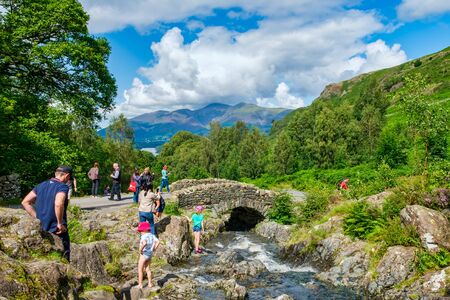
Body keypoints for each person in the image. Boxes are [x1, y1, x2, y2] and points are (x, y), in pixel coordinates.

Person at [21, 166, 72, 261]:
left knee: (46, 258)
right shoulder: (62, 186)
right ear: (67, 175)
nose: (68, 181)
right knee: (64, 258)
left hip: (42, 229)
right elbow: (58, 203)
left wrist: (37, 218)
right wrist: (59, 223)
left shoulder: (41, 185)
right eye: (69, 178)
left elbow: (25, 202)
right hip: (57, 230)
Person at [137, 221, 160, 289]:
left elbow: (144, 243)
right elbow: (158, 242)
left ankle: (140, 284)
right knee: (148, 269)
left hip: (143, 254)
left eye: (141, 230)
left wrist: (141, 250)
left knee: (140, 269)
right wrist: (154, 248)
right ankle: (150, 283)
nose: (140, 232)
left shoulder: (144, 236)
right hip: (150, 254)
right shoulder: (152, 235)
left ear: (144, 230)